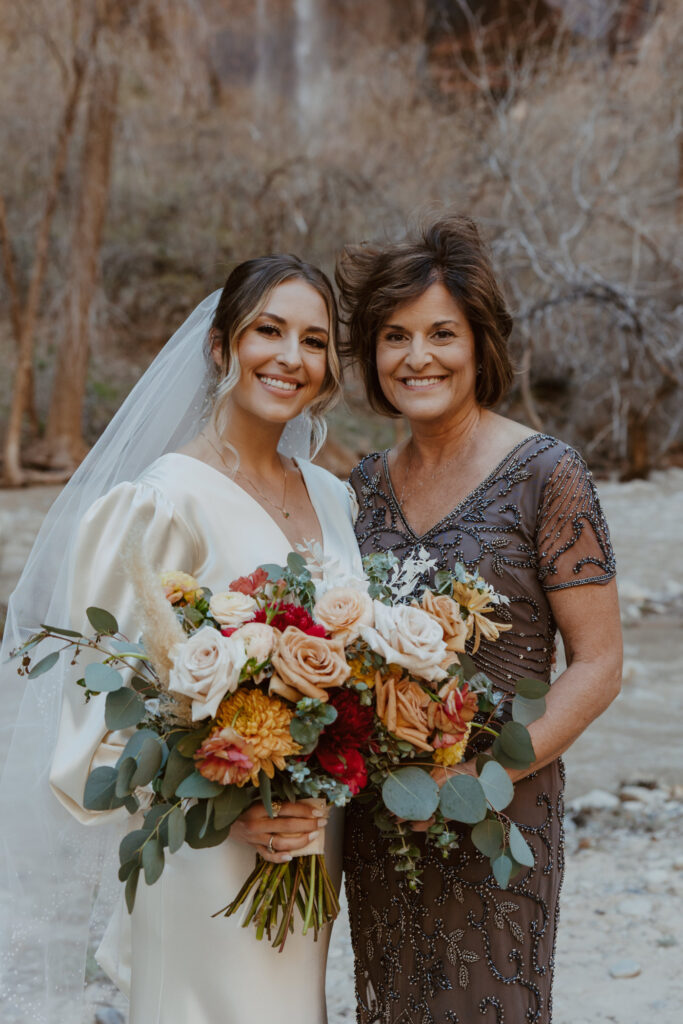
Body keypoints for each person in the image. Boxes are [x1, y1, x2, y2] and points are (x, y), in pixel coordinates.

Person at [0, 255, 362, 1024]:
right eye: (269, 330)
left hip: (308, 843)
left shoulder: (335, 497)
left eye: (314, 340)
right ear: (220, 345)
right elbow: (96, 707)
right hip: (207, 847)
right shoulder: (159, 502)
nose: (290, 358)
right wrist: (235, 803)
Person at [336, 216, 622, 1024]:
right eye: (394, 335)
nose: (415, 356)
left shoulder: (546, 475)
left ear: (479, 343)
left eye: (440, 333)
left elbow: (598, 664)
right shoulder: (357, 488)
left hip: (498, 806)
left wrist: (479, 776)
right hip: (383, 815)